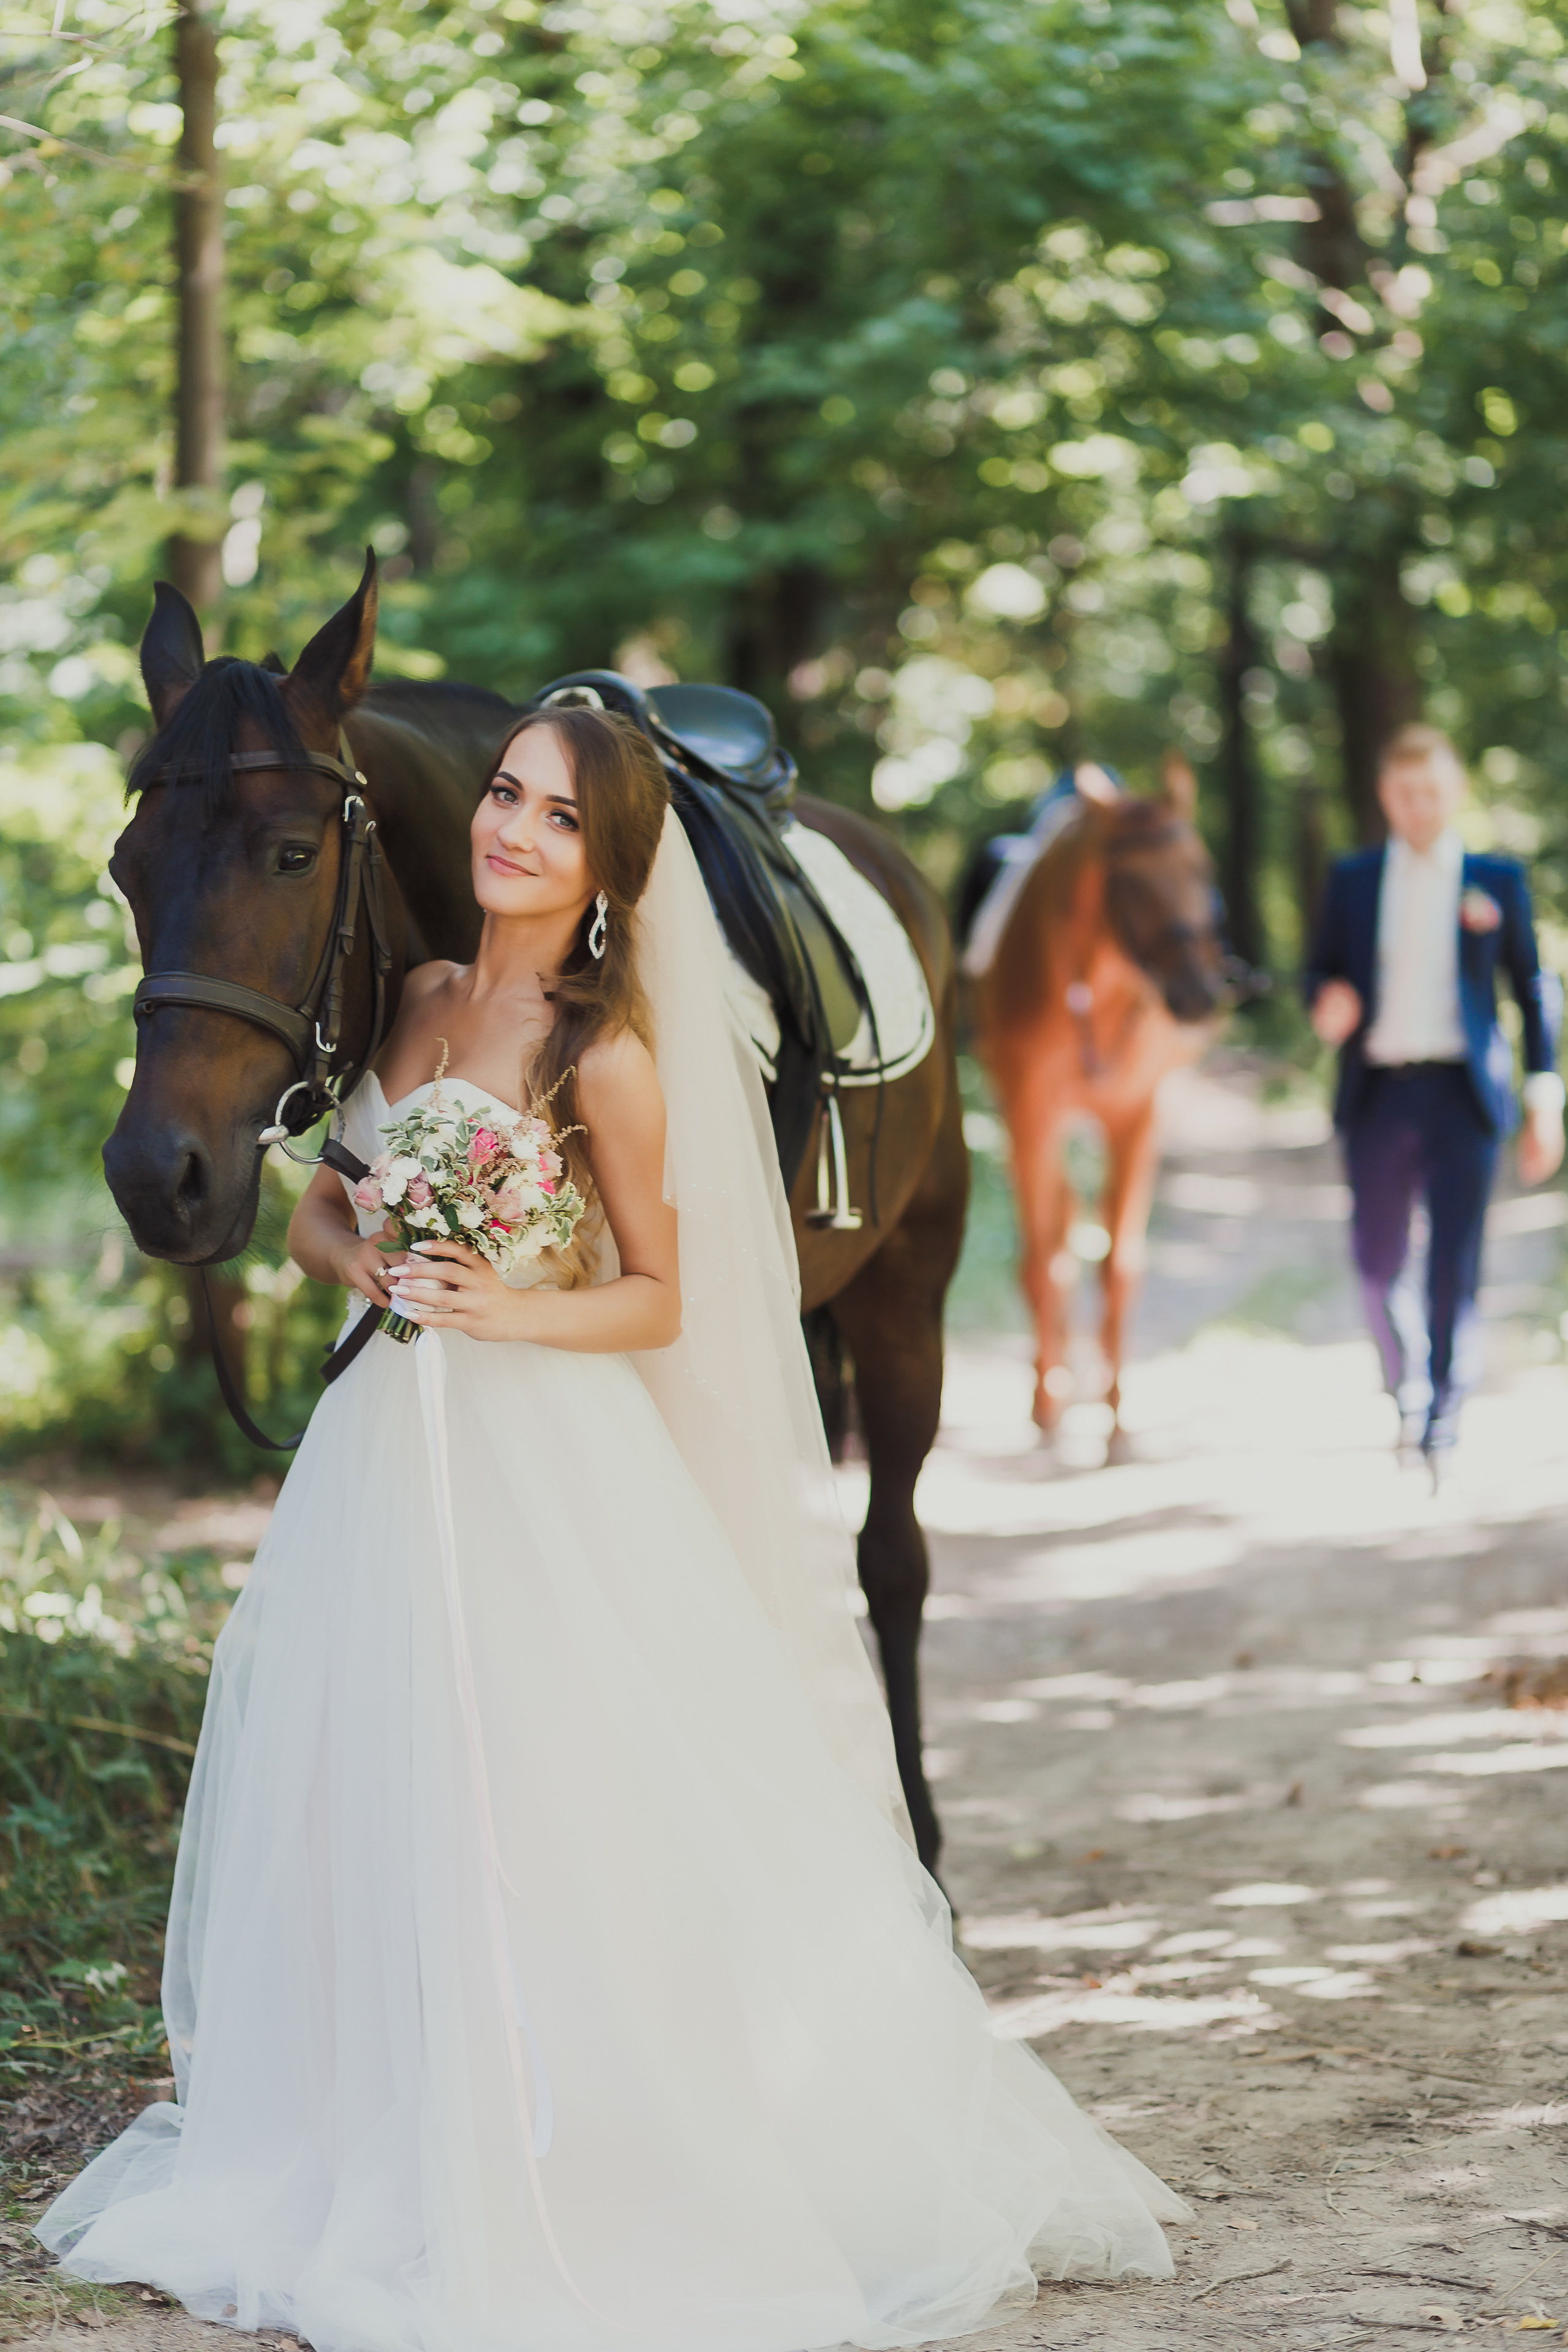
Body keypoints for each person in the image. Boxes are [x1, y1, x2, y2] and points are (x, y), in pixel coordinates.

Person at [37, 704, 1183, 2351]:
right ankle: (389, 2123)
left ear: (605, 867)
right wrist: (356, 1257)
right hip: (384, 1444)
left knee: (547, 1790)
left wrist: (503, 1308)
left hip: (539, 1448)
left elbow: (662, 1300)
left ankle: (586, 2139)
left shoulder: (610, 1053)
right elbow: (321, 1196)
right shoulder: (421, 1002)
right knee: (375, 1776)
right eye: (505, 793)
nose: (509, 829)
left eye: (555, 819)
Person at [1305, 723, 1563, 1460]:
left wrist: (1544, 1094)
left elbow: (1531, 990)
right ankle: (1404, 1379)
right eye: (1403, 792)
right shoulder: (1351, 881)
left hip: (1463, 1097)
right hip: (1378, 1093)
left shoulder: (1496, 882)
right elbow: (1319, 971)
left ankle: (1444, 1412)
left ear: (1452, 794)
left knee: (1456, 1261)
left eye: (1430, 792)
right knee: (1374, 1260)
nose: (1417, 806)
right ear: (1385, 794)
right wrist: (1326, 1001)